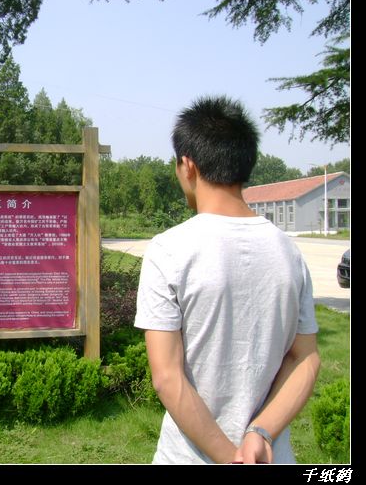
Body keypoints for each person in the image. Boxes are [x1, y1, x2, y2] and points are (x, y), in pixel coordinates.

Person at [134, 95, 320, 464]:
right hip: (270, 456)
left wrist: (230, 457)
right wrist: (259, 432)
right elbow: (305, 358)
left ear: (188, 166)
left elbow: (168, 377)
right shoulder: (288, 252)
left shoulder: (168, 250)